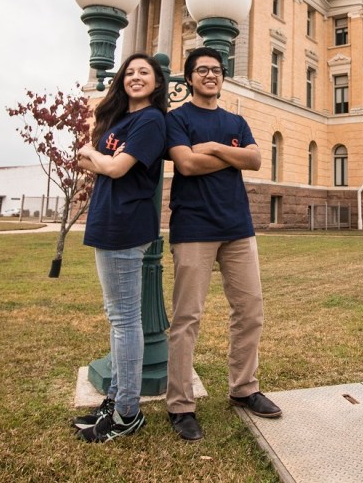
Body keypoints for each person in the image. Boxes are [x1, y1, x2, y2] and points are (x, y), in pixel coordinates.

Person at [165, 46, 281, 442]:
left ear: (223, 77)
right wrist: (235, 156)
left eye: (216, 70)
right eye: (202, 70)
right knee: (187, 319)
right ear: (189, 78)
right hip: (193, 228)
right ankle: (180, 405)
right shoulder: (177, 119)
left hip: (238, 228)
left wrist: (214, 148)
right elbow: (186, 164)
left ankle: (244, 388)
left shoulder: (236, 120)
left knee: (250, 311)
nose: (210, 75)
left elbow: (256, 160)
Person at [71, 53, 167, 443]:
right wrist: (100, 158)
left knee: (125, 321)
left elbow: (113, 168)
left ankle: (127, 413)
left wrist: (97, 156)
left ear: (157, 82)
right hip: (108, 220)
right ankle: (115, 400)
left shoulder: (151, 120)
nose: (135, 77)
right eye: (129, 72)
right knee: (118, 319)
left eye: (144, 72)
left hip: (126, 225)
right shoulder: (120, 120)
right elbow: (86, 162)